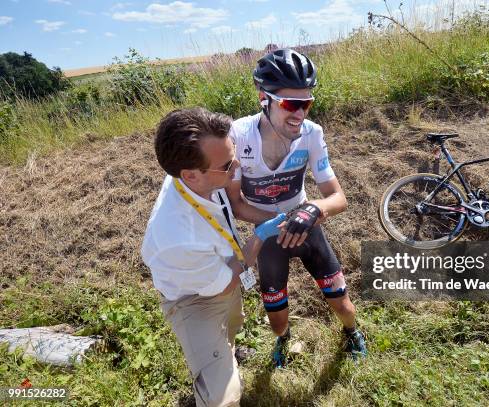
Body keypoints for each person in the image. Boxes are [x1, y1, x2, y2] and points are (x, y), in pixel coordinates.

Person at [227, 48, 367, 368]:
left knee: (344, 306)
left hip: (306, 225)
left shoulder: (312, 134)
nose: (300, 113)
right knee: (277, 319)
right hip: (269, 234)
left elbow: (338, 197)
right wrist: (281, 220)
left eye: (307, 103)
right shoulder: (238, 135)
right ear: (264, 97)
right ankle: (283, 340)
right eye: (291, 104)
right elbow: (235, 203)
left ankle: (351, 333)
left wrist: (314, 209)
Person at [141, 108, 285, 407]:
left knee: (232, 323)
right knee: (224, 399)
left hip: (220, 274)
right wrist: (258, 236)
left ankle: (227, 351)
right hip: (195, 299)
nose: (236, 170)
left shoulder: (198, 177)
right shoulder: (178, 238)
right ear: (191, 175)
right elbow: (227, 282)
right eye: (227, 166)